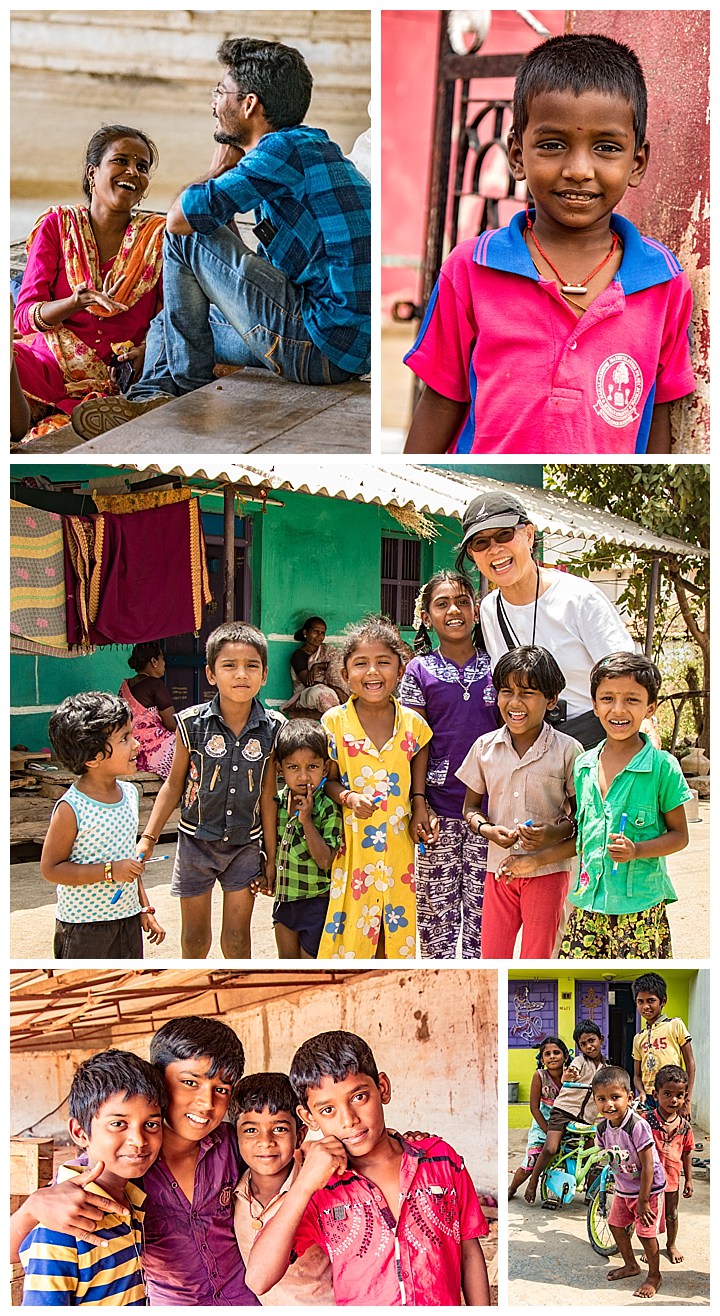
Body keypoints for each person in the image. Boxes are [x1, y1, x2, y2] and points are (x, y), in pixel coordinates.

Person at [403, 32, 694, 456]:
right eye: (553, 145)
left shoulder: (663, 285)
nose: (578, 169)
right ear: (518, 155)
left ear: (637, 162)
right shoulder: (471, 269)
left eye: (606, 148)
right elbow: (442, 400)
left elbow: (660, 418)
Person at [70, 38, 371, 438]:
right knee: (167, 322)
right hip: (337, 350)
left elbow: (179, 220)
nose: (214, 104)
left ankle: (184, 392)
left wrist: (217, 171)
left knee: (185, 237)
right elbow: (261, 274)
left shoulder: (283, 150)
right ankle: (148, 398)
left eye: (220, 92)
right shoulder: (309, 149)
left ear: (249, 104)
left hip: (317, 345)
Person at [11, 1018, 258, 1306]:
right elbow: (24, 1247)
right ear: (160, 1084)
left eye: (222, 1089)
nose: (206, 1102)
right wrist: (30, 1208)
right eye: (190, 1082)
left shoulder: (232, 1144)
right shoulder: (121, 1165)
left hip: (246, 1299)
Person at [245, 1030, 491, 1305]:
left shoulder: (440, 1160)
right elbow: (258, 1278)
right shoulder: (321, 1189)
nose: (348, 1119)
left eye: (359, 1097)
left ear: (382, 1088)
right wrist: (303, 1186)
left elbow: (469, 1251)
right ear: (308, 1117)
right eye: (327, 1110)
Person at [137, 622, 284, 959]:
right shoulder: (190, 724)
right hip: (195, 844)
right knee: (194, 939)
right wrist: (148, 838)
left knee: (236, 939)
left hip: (245, 846)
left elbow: (267, 794)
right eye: (229, 665)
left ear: (264, 675)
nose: (241, 674)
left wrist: (272, 857)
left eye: (251, 666)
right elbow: (173, 785)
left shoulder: (274, 728)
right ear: (211, 673)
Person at [13, 125, 164, 440]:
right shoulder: (58, 225)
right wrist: (73, 303)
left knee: (54, 435)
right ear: (92, 173)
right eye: (120, 161)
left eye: (142, 166)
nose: (132, 172)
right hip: (41, 365)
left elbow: (170, 322)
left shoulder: (158, 239)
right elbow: (25, 318)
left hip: (108, 382)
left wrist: (146, 351)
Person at [457, 490, 636, 749]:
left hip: (592, 743)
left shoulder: (578, 598)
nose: (494, 550)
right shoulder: (489, 609)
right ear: (473, 554)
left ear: (529, 535)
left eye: (504, 535)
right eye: (481, 543)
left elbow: (626, 675)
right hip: (533, 746)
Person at [560, 653, 692, 959]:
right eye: (607, 698)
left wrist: (637, 851)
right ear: (594, 705)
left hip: (640, 908)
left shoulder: (663, 768)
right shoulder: (583, 765)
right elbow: (583, 833)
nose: (618, 709)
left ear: (649, 707)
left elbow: (680, 835)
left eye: (631, 700)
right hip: (587, 901)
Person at [318, 616, 432, 959]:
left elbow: (419, 766)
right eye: (361, 664)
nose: (372, 672)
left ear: (400, 671)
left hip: (398, 845)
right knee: (354, 928)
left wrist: (420, 805)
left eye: (384, 662)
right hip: (354, 848)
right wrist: (348, 797)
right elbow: (327, 780)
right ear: (345, 674)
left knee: (395, 931)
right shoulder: (333, 723)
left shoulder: (413, 725)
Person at [457, 646, 581, 959]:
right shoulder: (485, 748)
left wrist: (551, 833)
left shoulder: (568, 751)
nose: (514, 703)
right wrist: (487, 829)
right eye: (506, 692)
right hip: (497, 871)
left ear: (551, 700)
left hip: (548, 873)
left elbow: (582, 821)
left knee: (537, 957)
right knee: (492, 956)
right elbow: (470, 808)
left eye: (527, 693)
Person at [399, 571, 497, 958]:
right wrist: (418, 801)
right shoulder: (418, 671)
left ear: (475, 611)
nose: (453, 610)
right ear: (427, 617)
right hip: (438, 809)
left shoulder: (498, 666)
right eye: (442, 604)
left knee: (484, 917)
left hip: (490, 812)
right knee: (435, 919)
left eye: (461, 602)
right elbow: (416, 742)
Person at [19, 1049, 165, 1305]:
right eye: (118, 1124)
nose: (139, 1140)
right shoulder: (61, 1226)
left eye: (151, 1124)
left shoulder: (134, 1201)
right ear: (80, 1132)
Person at [41, 691, 165, 958]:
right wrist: (109, 871)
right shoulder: (71, 808)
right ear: (92, 758)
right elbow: (51, 869)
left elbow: (128, 863)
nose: (136, 745)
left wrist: (144, 907)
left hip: (128, 920)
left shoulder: (130, 794)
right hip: (84, 929)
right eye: (124, 739)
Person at [232, 1072, 334, 1305]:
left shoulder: (321, 1189)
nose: (265, 1141)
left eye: (279, 1129)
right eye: (250, 1130)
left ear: (299, 1136)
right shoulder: (231, 1190)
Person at [592, 1064, 666, 1298]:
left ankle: (654, 1275)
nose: (609, 1104)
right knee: (615, 1225)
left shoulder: (637, 1125)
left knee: (646, 1233)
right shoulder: (602, 1127)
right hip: (624, 1189)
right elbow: (608, 1155)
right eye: (601, 1099)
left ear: (629, 1097)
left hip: (648, 1188)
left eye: (615, 1097)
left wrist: (644, 1200)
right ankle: (631, 1265)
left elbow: (647, 1166)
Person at [270, 720, 343, 959]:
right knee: (286, 967)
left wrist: (307, 821)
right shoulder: (276, 803)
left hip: (316, 904)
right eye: (293, 767)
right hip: (284, 902)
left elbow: (325, 861)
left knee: (311, 966)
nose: (303, 776)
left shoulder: (327, 807)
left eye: (312, 766)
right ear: (280, 769)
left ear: (325, 768)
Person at [524, 1020, 607, 1204]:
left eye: (591, 1041)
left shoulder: (606, 1069)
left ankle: (590, 1193)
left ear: (601, 1039)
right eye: (583, 1044)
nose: (588, 1046)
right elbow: (570, 1072)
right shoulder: (579, 1061)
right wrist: (568, 1077)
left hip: (586, 1118)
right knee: (551, 1148)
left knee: (593, 1153)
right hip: (563, 1111)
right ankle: (533, 1180)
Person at [508, 1035, 570, 1199]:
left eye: (556, 1052)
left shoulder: (570, 1076)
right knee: (530, 1163)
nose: (552, 1057)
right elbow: (534, 1108)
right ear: (542, 1059)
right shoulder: (540, 1076)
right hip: (543, 1127)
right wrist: (547, 1130)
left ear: (565, 1056)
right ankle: (513, 1188)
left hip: (565, 1126)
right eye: (547, 1054)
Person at [647, 1065, 694, 1265]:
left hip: (673, 1178)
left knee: (672, 1214)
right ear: (655, 1094)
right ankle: (651, 1247)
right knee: (649, 1214)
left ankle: (671, 1245)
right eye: (667, 1094)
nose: (673, 1100)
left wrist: (689, 1179)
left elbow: (687, 1152)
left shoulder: (684, 1126)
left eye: (679, 1095)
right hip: (648, 1178)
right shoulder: (646, 1121)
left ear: (684, 1097)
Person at [631, 972, 695, 1115]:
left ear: (663, 1000)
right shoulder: (638, 1037)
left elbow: (690, 1064)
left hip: (671, 1095)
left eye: (651, 1000)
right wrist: (641, 1092)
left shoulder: (675, 1025)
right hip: (649, 1098)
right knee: (651, 1136)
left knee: (673, 1134)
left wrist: (686, 1099)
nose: (645, 1006)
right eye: (640, 1002)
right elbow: (636, 1075)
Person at [119, 640, 176, 779]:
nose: (164, 663)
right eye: (162, 658)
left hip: (129, 741)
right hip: (149, 746)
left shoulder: (125, 685)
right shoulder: (156, 685)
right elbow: (172, 724)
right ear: (154, 661)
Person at [282, 617, 344, 718]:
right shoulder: (298, 656)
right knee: (323, 694)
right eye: (316, 632)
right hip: (308, 693)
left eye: (322, 633)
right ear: (305, 633)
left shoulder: (328, 651)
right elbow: (308, 682)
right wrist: (337, 689)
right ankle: (338, 720)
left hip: (331, 688)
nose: (319, 636)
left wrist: (319, 665)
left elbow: (339, 664)